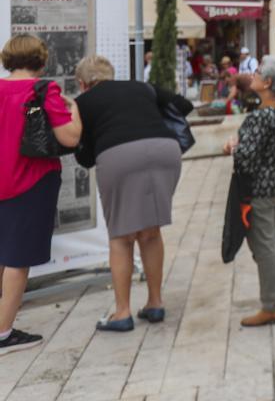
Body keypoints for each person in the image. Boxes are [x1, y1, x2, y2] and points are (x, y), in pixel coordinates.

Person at [74, 55, 190, 332]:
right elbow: (184, 105)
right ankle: (155, 302)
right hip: (165, 150)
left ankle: (122, 312)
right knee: (150, 231)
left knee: (122, 237)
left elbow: (86, 155)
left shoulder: (83, 102)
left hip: (120, 156)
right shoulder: (141, 87)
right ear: (111, 75)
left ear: (82, 83)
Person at [0, 34, 81, 355]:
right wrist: (75, 111)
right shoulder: (44, 90)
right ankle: (4, 333)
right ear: (41, 60)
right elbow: (70, 138)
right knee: (18, 260)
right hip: (31, 182)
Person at [223, 56, 275, 326]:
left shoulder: (261, 117)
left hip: (260, 190)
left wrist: (231, 147)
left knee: (265, 246)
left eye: (258, 73)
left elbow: (246, 158)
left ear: (268, 83)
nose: (253, 74)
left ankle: (273, 305)